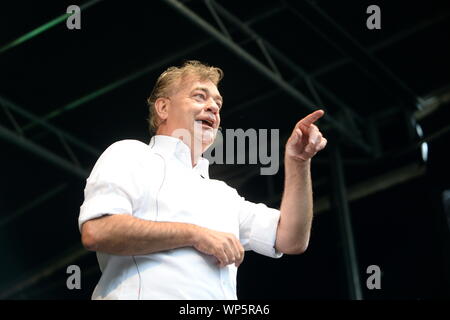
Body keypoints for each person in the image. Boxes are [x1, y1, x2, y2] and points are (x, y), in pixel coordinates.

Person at [78, 60, 327, 300]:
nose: (214, 107)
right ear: (163, 108)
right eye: (199, 96)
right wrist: (196, 235)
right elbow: (98, 231)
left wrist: (298, 162)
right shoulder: (132, 154)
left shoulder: (223, 194)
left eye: (218, 102)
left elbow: (291, 239)